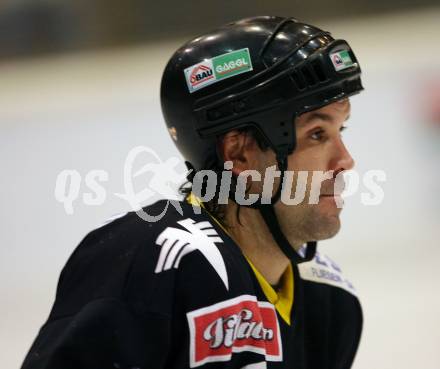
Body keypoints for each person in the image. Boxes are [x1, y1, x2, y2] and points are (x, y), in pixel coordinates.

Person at [22, 15, 364, 369]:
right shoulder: (151, 262)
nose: (346, 161)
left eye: (342, 130)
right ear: (239, 153)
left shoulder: (330, 301)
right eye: (317, 135)